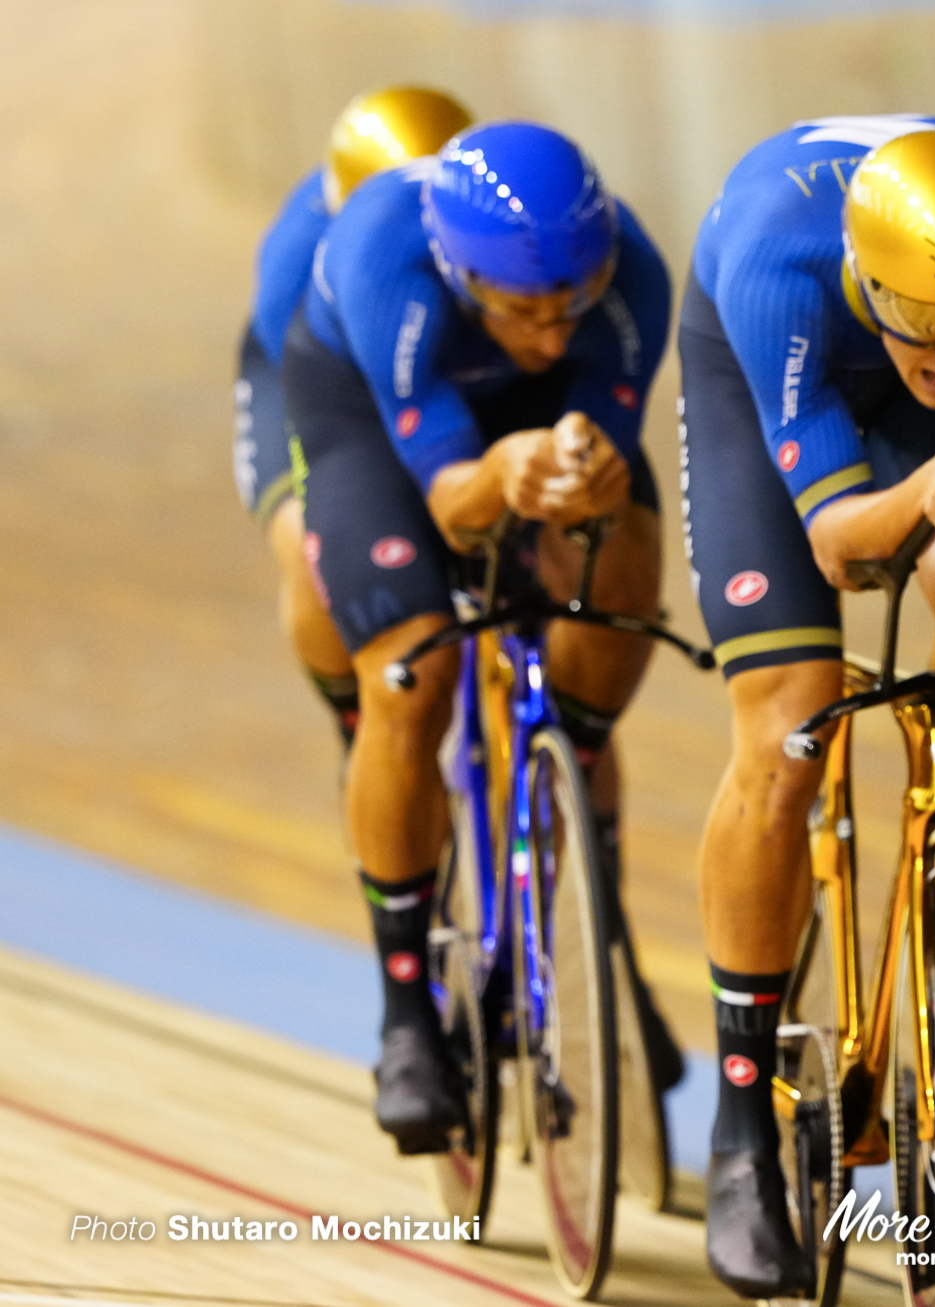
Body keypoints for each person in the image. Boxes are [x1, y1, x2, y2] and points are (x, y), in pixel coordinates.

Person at [679, 115, 935, 1296]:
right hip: (786, 395)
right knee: (790, 723)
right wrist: (917, 482)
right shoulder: (777, 264)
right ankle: (744, 1119)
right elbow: (841, 551)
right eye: (920, 319)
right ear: (864, 278)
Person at [283, 120, 678, 1154]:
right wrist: (505, 475)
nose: (553, 334)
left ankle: (572, 768)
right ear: (462, 276)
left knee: (621, 546)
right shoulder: (386, 263)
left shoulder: (629, 273)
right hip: (379, 427)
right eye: (523, 312)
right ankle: (407, 1004)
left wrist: (581, 468)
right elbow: (458, 502)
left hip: (534, 422)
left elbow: (601, 442)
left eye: (571, 307)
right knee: (415, 673)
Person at [232, 86, 472, 749]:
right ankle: (350, 714)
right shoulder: (298, 252)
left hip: (425, 358)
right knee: (309, 541)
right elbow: (325, 410)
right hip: (310, 377)